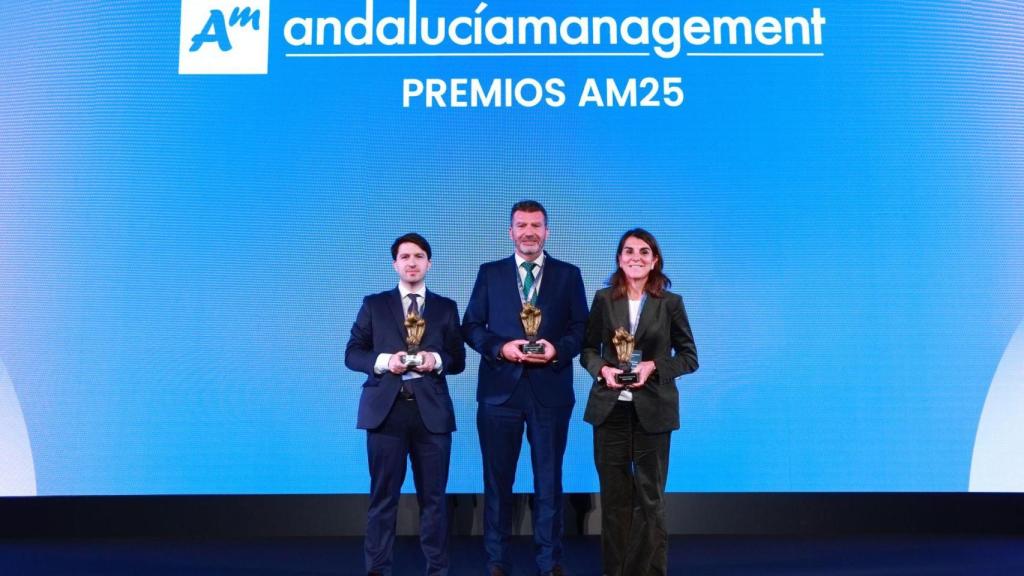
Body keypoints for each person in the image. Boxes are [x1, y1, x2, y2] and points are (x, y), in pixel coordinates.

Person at [463, 200, 589, 576]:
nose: (529, 232)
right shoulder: (490, 273)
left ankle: (550, 562)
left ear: (547, 231)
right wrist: (500, 347)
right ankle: (497, 562)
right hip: (499, 392)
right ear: (511, 231)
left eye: (536, 225)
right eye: (522, 225)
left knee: (549, 482)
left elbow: (581, 329)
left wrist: (556, 350)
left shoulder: (569, 275)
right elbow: (471, 326)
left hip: (550, 391)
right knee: (497, 482)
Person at [345, 233, 466, 576]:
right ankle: (378, 570)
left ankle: (437, 571)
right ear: (395, 263)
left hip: (432, 414)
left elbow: (458, 359)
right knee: (383, 499)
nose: (412, 262)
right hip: (387, 411)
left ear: (429, 263)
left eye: (419, 256)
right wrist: (385, 361)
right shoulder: (374, 304)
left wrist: (436, 359)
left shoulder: (445, 307)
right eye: (405, 257)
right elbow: (352, 353)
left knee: (434, 501)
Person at [581, 228, 698, 576]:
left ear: (655, 260)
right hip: (611, 410)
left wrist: (654, 366)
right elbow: (587, 350)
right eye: (629, 251)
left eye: (644, 252)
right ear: (619, 259)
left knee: (650, 500)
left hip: (653, 411)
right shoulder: (604, 299)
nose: (636, 257)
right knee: (615, 502)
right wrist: (603, 369)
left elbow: (690, 357)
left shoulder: (670, 303)